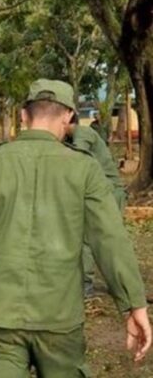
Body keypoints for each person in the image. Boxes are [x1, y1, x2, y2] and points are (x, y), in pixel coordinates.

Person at [0, 79, 151, 377]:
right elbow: (110, 241)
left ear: (23, 115)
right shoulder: (84, 169)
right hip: (59, 318)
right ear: (69, 116)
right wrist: (133, 305)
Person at [67, 114, 127, 296]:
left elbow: (75, 160)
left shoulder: (83, 133)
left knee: (94, 239)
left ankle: (86, 285)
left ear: (68, 120)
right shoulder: (75, 137)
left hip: (109, 192)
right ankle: (119, 285)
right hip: (106, 191)